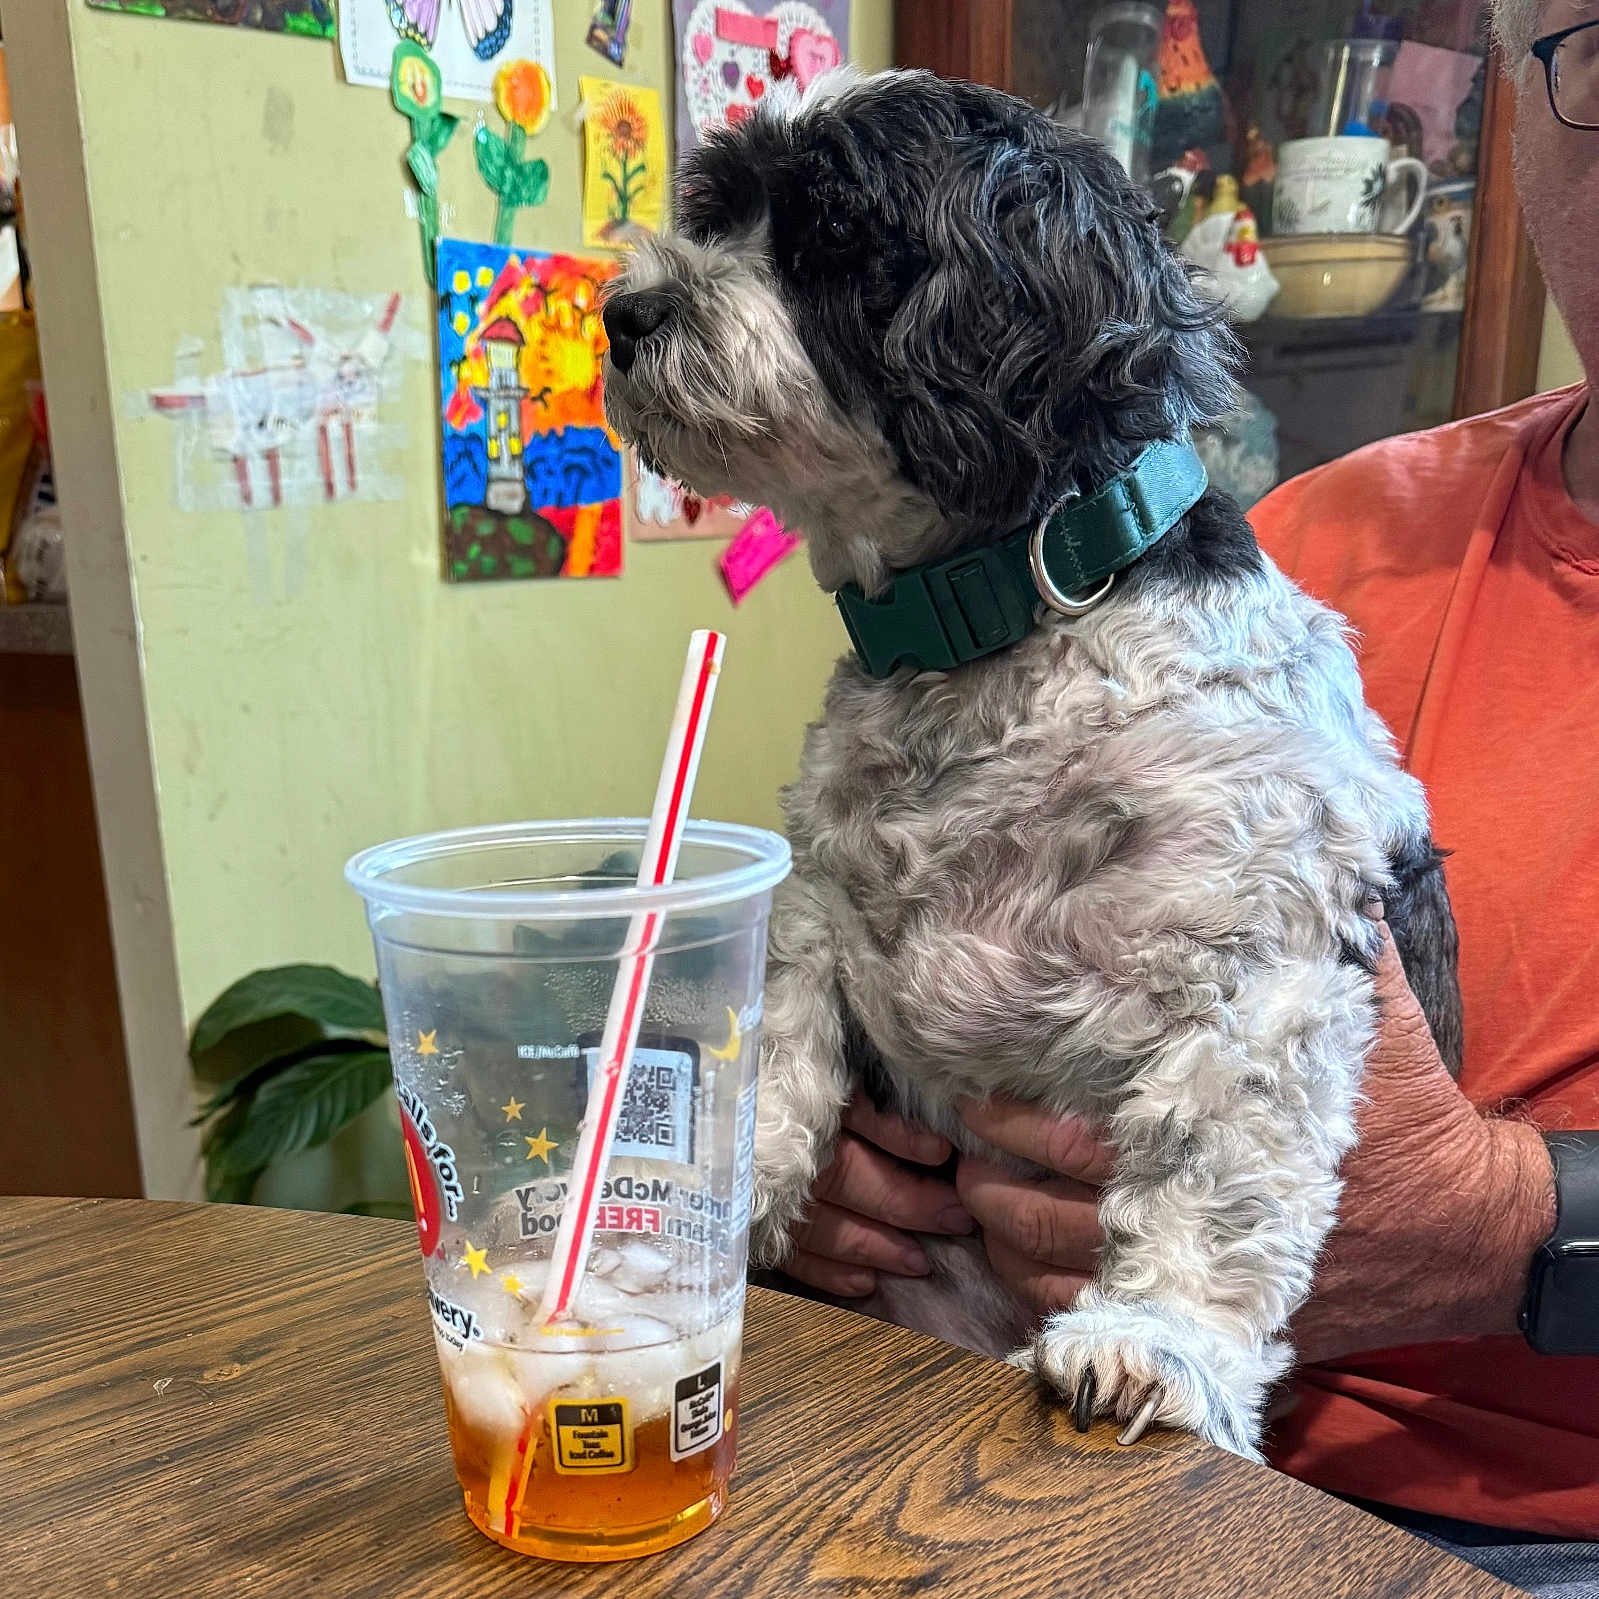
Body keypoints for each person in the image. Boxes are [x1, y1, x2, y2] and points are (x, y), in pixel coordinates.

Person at [776, 1, 1599, 1589]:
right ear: (1520, 107)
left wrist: (1506, 1228)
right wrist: (851, 1169)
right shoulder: (1299, 547)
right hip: (1072, 1435)